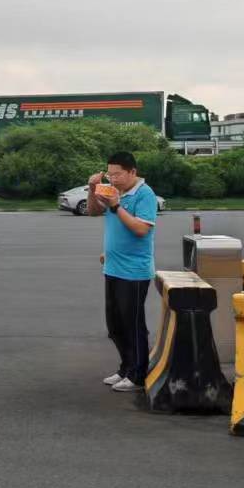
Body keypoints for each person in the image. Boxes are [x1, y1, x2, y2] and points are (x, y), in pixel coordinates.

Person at [88, 151, 159, 396]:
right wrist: (92, 188)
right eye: (110, 174)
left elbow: (140, 229)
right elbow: (93, 212)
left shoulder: (144, 194)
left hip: (134, 272)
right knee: (115, 325)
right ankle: (126, 367)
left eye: (118, 174)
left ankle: (138, 374)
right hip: (113, 267)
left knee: (133, 324)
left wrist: (116, 205)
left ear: (132, 172)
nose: (113, 178)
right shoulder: (111, 191)